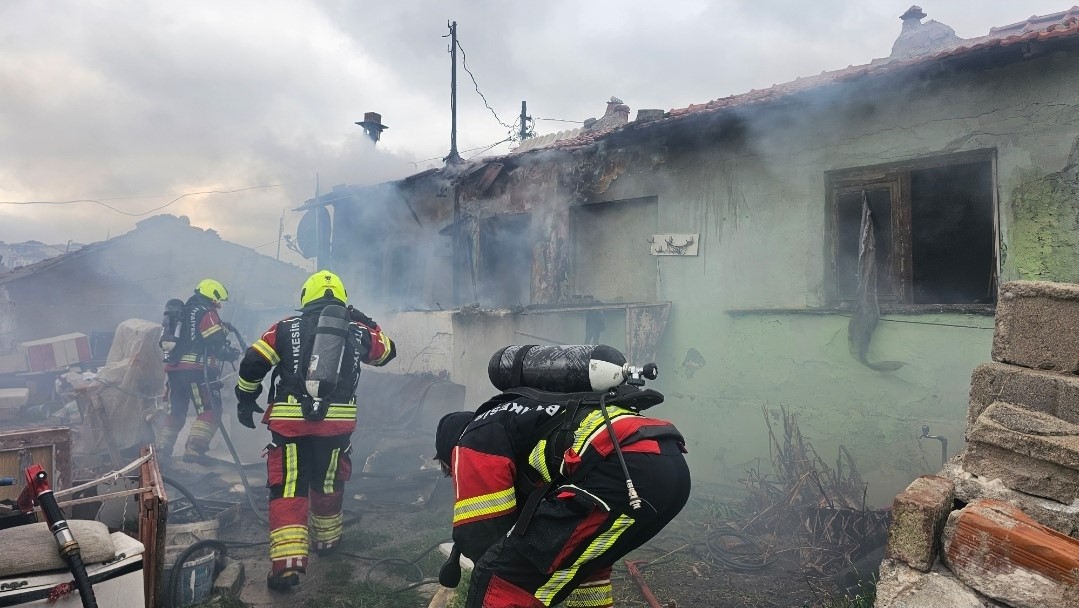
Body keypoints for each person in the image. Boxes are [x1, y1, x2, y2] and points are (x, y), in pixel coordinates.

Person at [434, 358, 692, 608]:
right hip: (669, 465)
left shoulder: (474, 437)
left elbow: (481, 535)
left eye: (451, 472)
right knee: (586, 562)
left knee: (497, 578)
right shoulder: (520, 421)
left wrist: (508, 562)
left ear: (451, 453)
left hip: (627, 468)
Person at [234, 269, 396, 591]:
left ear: (306, 297)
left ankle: (287, 566)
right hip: (337, 424)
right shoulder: (358, 331)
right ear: (343, 299)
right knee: (328, 478)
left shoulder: (283, 328)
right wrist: (368, 321)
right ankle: (327, 541)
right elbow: (388, 353)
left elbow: (252, 363)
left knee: (290, 484)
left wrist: (245, 399)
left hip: (292, 423)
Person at [157, 278, 239, 464]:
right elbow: (216, 343)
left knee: (175, 411)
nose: (219, 305)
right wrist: (230, 353)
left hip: (174, 371)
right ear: (212, 294)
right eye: (218, 300)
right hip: (197, 370)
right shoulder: (206, 312)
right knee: (211, 409)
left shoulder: (183, 312)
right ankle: (195, 448)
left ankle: (162, 451)